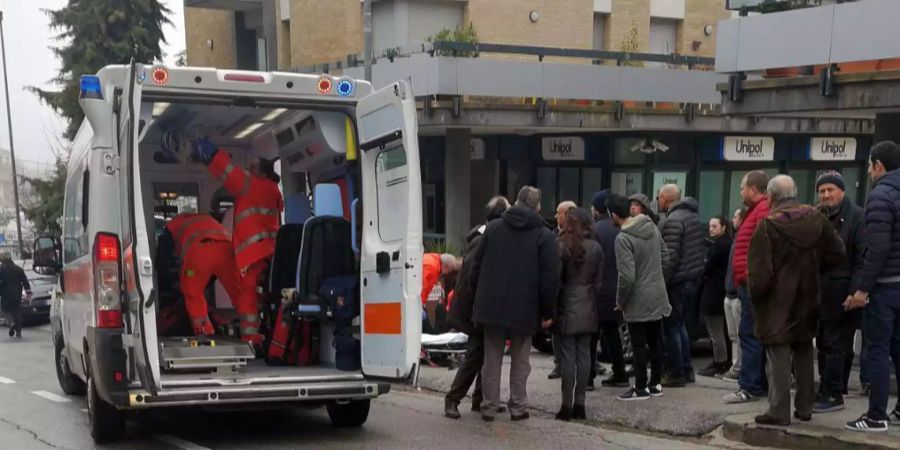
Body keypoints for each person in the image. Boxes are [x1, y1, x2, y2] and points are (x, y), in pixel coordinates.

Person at [747, 175, 844, 426]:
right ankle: (805, 406)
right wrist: (815, 269)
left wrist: (756, 297)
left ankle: (779, 410)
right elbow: (838, 251)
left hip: (777, 302)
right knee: (803, 350)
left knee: (778, 354)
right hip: (808, 295)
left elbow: (759, 275)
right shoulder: (816, 218)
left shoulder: (767, 226)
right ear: (795, 192)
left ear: (770, 196)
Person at [467, 186, 560, 422]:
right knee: (521, 359)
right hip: (525, 306)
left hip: (491, 304)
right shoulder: (544, 235)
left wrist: (476, 298)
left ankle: (488, 406)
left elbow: (475, 266)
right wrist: (548, 311)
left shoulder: (494, 228)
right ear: (538, 207)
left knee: (492, 358)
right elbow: (549, 277)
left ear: (515, 203)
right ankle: (518, 407)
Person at [195, 138, 284, 347]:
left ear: (262, 173)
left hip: (254, 253)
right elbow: (229, 177)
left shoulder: (253, 185)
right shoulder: (270, 189)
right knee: (256, 295)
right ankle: (258, 334)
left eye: (253, 167)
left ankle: (251, 338)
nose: (249, 169)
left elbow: (230, 173)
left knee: (247, 296)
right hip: (266, 250)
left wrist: (213, 153)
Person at [846, 141, 900, 432]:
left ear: (878, 165)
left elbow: (877, 248)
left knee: (877, 349)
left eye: (868, 165)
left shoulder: (880, 196)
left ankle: (876, 415)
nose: (868, 171)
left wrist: (862, 289)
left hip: (885, 287)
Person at [444, 196, 510, 419]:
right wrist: (478, 309)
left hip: (480, 307)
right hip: (475, 309)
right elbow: (472, 279)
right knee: (476, 355)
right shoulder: (482, 239)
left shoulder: (485, 236)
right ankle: (452, 398)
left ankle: (479, 399)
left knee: (486, 354)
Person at [608, 194, 673, 401]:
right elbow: (666, 257)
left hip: (638, 297)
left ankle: (641, 387)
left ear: (614, 215)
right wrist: (655, 277)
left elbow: (626, 276)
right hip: (658, 293)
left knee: (637, 344)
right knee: (655, 341)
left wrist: (620, 301)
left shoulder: (623, 238)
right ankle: (655, 384)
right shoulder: (652, 227)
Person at [813, 171, 866, 414]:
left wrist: (856, 290)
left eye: (830, 190)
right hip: (821, 292)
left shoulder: (857, 217)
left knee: (835, 344)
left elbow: (861, 259)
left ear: (842, 191)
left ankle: (833, 393)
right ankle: (829, 388)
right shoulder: (817, 215)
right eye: (822, 191)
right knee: (824, 343)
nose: (825, 195)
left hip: (844, 291)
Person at [723, 170, 771, 404]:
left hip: (752, 283)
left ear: (753, 189)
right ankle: (756, 384)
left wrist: (751, 276)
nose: (741, 191)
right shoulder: (755, 211)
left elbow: (763, 247)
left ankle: (749, 386)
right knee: (751, 334)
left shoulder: (761, 211)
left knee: (749, 334)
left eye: (743, 187)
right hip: (747, 281)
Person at [554, 207, 604, 421]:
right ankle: (580, 403)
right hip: (589, 303)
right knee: (584, 356)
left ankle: (566, 404)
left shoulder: (562, 245)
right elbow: (600, 282)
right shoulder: (596, 248)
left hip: (567, 304)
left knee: (567, 357)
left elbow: (556, 280)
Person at [158, 212, 243, 336]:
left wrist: (168, 283)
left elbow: (162, 261)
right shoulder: (208, 220)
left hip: (200, 253)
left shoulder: (172, 225)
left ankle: (204, 332)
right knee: (240, 293)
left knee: (193, 294)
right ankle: (251, 331)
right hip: (228, 250)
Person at [657, 184, 706, 387]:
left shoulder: (673, 221)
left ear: (667, 198)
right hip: (692, 279)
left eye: (659, 197)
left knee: (671, 328)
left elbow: (671, 256)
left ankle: (676, 372)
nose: (658, 201)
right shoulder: (693, 217)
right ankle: (687, 369)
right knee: (681, 326)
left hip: (677, 281)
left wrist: (662, 281)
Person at [592, 190, 629, 388]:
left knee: (590, 334)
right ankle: (620, 371)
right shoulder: (621, 229)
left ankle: (587, 377)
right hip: (616, 289)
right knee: (612, 333)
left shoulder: (595, 229)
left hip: (597, 289)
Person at [698, 215, 734, 377]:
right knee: (720, 331)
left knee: (716, 331)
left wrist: (704, 270)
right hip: (719, 291)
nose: (711, 229)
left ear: (724, 227)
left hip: (714, 292)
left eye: (715, 226)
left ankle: (719, 363)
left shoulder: (720, 246)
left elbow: (708, 268)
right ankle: (722, 362)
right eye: (710, 226)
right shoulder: (725, 243)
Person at [549, 200, 578, 380]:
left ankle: (565, 365)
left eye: (558, 212)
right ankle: (559, 363)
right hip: (562, 291)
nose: (555, 216)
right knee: (557, 331)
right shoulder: (554, 234)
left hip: (569, 290)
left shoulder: (578, 239)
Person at [722, 207, 747, 383]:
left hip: (737, 294)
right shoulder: (735, 239)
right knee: (733, 335)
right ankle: (735, 366)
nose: (733, 219)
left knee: (740, 334)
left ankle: (740, 368)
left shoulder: (743, 239)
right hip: (729, 292)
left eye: (736, 216)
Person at [0, 253, 31, 339]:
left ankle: (11, 322)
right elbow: (25, 281)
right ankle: (18, 332)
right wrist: (28, 292)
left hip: (5, 294)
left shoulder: (1, 269)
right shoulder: (18, 269)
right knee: (17, 312)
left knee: (4, 309)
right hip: (17, 294)